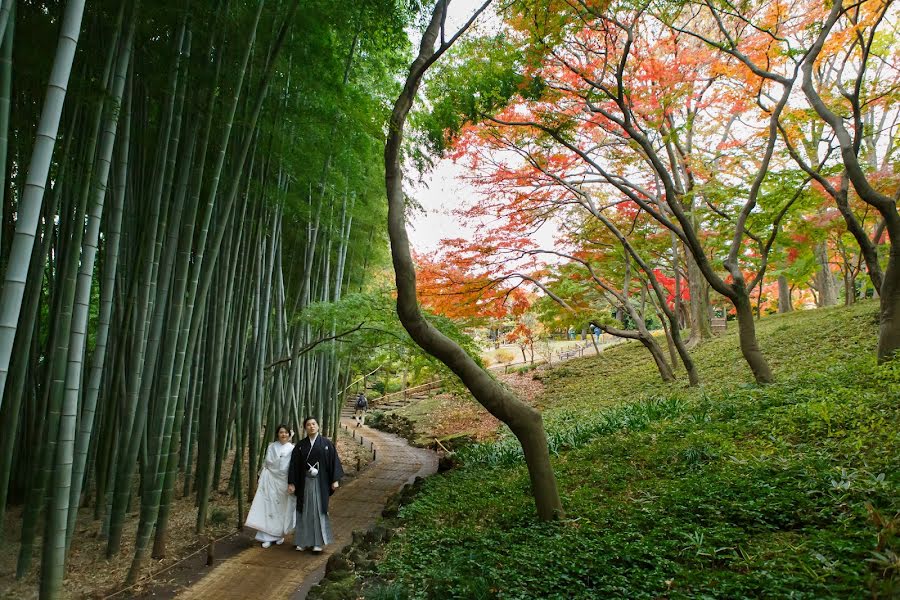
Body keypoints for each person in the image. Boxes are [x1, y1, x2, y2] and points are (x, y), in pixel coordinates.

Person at [288, 417, 344, 553]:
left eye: (314, 424)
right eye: (308, 425)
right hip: (304, 482)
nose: (311, 426)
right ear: (305, 428)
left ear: (318, 426)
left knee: (318, 511)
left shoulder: (326, 444)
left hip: (321, 482)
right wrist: (292, 483)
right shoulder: (300, 445)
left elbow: (333, 462)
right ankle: (302, 541)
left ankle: (317, 543)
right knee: (303, 511)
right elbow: (294, 466)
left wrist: (335, 480)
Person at [244, 424, 295, 548]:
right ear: (277, 434)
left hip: (284, 481)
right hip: (271, 479)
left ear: (289, 434)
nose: (283, 434)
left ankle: (279, 535)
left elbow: (292, 466)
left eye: (286, 432)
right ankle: (266, 536)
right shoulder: (272, 446)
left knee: (281, 507)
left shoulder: (292, 448)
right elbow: (268, 462)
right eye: (281, 432)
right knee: (268, 505)